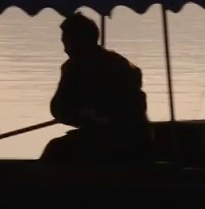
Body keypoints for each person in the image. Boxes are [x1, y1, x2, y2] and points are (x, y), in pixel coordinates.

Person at [40, 13, 152, 165]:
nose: (65, 49)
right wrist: (83, 115)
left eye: (68, 42)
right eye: (64, 42)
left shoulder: (113, 67)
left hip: (122, 141)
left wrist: (100, 117)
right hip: (105, 137)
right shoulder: (75, 67)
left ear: (82, 41)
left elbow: (132, 107)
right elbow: (59, 109)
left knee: (56, 149)